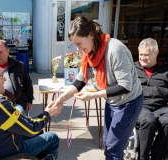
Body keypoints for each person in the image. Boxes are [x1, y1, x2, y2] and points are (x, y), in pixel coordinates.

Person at [55, 16, 144, 160]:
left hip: (128, 102)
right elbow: (80, 81)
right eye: (75, 45)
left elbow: (125, 86)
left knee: (113, 150)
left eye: (79, 43)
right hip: (112, 101)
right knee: (109, 145)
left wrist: (93, 96)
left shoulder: (115, 50)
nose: (78, 49)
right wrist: (61, 99)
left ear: (90, 35)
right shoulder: (89, 52)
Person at [0, 61, 62, 159]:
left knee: (40, 132)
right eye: (1, 76)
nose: (4, 79)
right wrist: (48, 113)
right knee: (52, 138)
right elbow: (31, 128)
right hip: (8, 153)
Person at [135, 38, 168, 160]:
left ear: (156, 53)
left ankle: (157, 156)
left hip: (162, 106)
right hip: (141, 106)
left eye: (146, 55)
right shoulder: (133, 70)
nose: (142, 57)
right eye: (140, 54)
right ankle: (142, 157)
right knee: (148, 121)